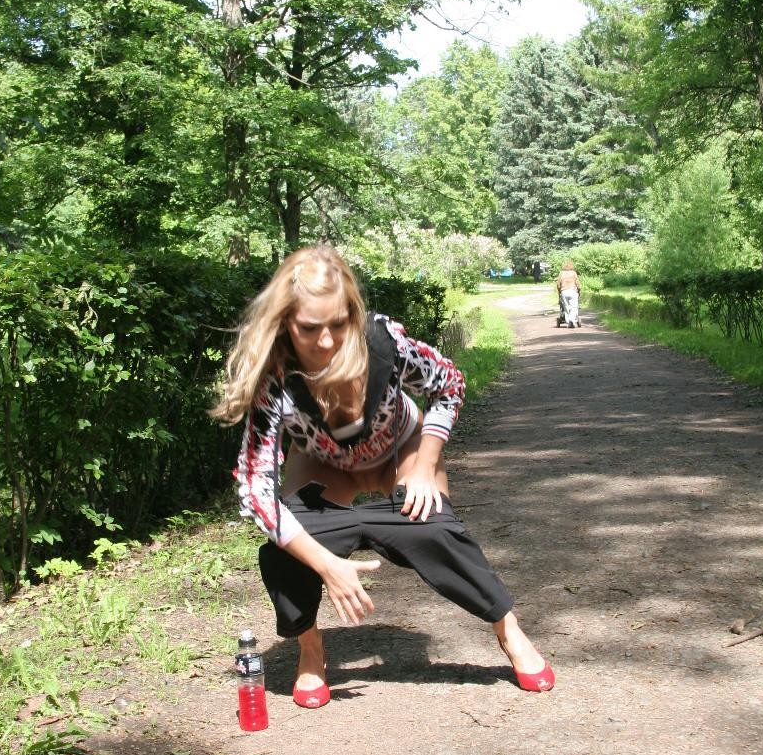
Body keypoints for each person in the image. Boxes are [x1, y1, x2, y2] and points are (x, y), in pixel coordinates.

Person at [214, 245, 554, 708]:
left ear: (352, 311)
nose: (328, 341)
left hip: (399, 451)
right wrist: (327, 564)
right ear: (285, 323)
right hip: (324, 464)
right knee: (286, 551)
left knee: (436, 528)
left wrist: (423, 464)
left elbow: (449, 385)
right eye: (310, 329)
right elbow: (255, 491)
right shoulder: (273, 377)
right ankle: (311, 649)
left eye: (338, 324)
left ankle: (508, 629)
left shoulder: (384, 343)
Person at [556, 259, 581, 328]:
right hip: (573, 291)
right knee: (574, 307)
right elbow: (578, 284)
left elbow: (558, 285)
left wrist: (559, 292)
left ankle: (568, 322)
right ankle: (571, 321)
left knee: (566, 307)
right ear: (571, 266)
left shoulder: (561, 273)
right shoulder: (573, 273)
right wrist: (579, 290)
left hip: (564, 291)